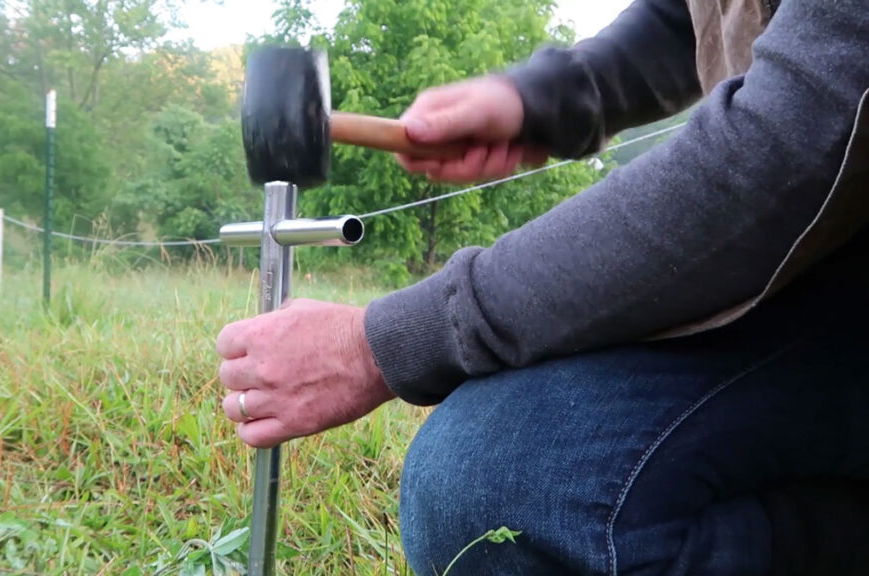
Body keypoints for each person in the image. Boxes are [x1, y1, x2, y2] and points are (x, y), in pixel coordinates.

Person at [216, 0, 869, 573]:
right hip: (803, 273)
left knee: (500, 483)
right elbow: (692, 16)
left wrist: (380, 344)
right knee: (485, 474)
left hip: (835, 276)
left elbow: (789, 141)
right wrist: (548, 96)